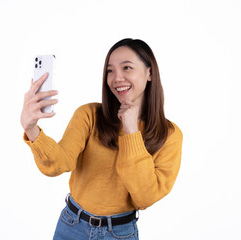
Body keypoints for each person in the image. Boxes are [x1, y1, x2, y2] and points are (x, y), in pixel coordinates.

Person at [20, 38, 183, 240]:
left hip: (120, 234)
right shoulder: (89, 114)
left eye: (127, 68)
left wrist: (131, 131)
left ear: (150, 73)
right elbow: (58, 164)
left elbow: (145, 198)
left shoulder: (169, 135)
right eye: (110, 70)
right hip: (71, 226)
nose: (117, 78)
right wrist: (31, 128)